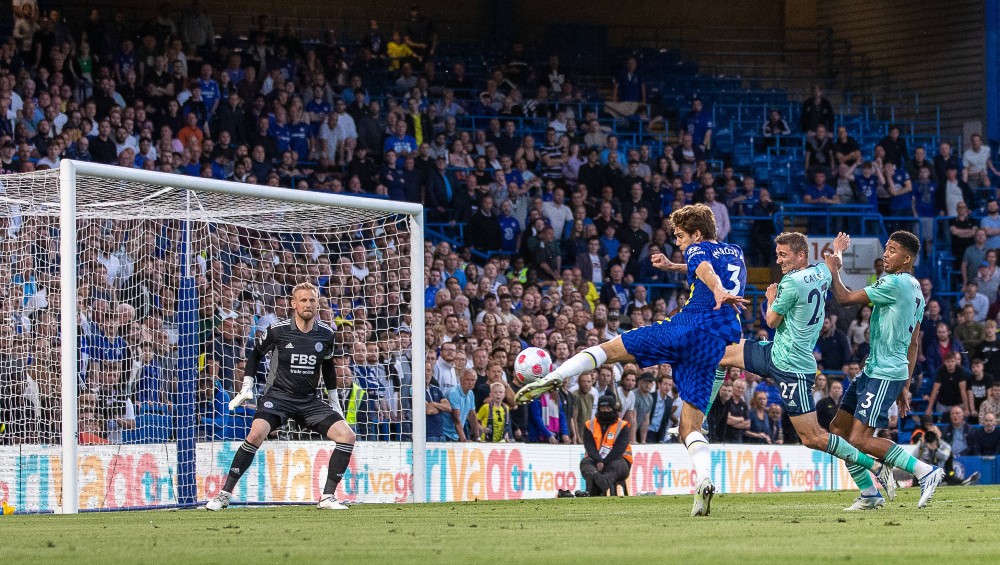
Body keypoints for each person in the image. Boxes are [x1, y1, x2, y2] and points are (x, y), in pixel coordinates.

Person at [517, 203, 747, 516]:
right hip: (714, 343)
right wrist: (674, 267)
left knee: (610, 350)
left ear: (696, 234)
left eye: (680, 236)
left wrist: (716, 290)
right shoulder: (735, 252)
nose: (677, 242)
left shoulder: (697, 250)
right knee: (690, 428)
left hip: (688, 327)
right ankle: (704, 479)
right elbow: (707, 264)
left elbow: (705, 267)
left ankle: (555, 376)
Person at [715, 232, 894, 509]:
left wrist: (770, 297)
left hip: (792, 366)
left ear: (800, 256)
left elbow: (771, 320)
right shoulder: (820, 272)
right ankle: (702, 419)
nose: (778, 260)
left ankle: (874, 467)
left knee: (813, 438)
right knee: (720, 353)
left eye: (783, 255)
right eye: (777, 254)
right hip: (775, 352)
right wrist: (838, 248)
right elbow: (834, 264)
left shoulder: (791, 282)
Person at [206, 283, 354, 511]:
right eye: (303, 300)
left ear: (317, 304)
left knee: (347, 436)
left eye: (312, 300)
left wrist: (334, 399)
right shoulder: (278, 330)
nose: (308, 304)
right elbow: (255, 355)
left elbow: (327, 367)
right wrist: (247, 386)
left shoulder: (326, 333)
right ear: (294, 304)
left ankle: (327, 497)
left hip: (309, 400)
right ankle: (224, 495)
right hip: (278, 397)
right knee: (256, 434)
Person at [824, 230, 945, 508]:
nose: (886, 255)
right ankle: (869, 494)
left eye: (892, 250)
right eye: (886, 249)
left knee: (860, 439)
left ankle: (924, 471)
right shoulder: (916, 290)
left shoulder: (895, 283)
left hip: (884, 372)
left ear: (907, 258)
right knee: (839, 430)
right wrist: (905, 385)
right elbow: (913, 343)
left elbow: (844, 298)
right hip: (875, 370)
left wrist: (833, 269)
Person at [578, 395, 633, 497]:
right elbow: (589, 447)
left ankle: (598, 485)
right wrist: (598, 460)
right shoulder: (589, 425)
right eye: (602, 408)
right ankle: (600, 483)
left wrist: (604, 462)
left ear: (613, 409)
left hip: (620, 460)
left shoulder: (623, 426)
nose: (605, 411)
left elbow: (619, 449)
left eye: (608, 408)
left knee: (614, 465)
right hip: (595, 459)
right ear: (598, 409)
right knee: (585, 463)